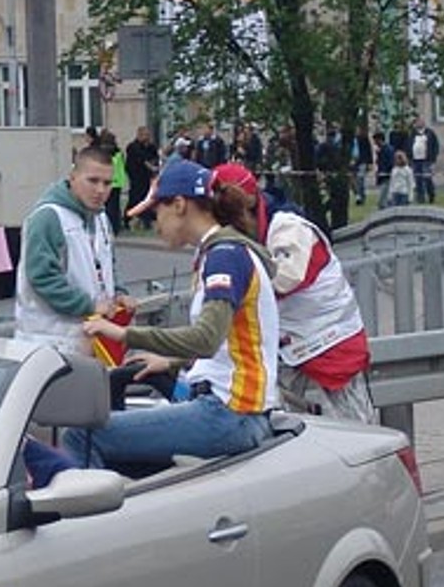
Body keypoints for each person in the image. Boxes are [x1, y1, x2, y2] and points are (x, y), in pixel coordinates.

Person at [68, 159, 280, 470]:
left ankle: (90, 518)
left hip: (228, 413)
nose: (156, 225)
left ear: (179, 205)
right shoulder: (222, 253)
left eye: (157, 213)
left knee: (83, 435)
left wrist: (123, 334)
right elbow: (228, 344)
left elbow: (206, 338)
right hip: (234, 409)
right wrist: (170, 362)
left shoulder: (224, 257)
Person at [210, 164, 375, 426]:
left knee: (358, 429)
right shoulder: (249, 231)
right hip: (287, 345)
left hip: (329, 340)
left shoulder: (288, 228)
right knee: (272, 419)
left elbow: (285, 278)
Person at [14, 146, 122, 360]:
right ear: (73, 178)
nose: (100, 190)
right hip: (49, 343)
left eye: (107, 183)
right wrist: (88, 305)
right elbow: (42, 277)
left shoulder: (101, 218)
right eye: (92, 181)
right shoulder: (48, 217)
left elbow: (107, 266)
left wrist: (119, 293)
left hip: (91, 340)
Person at [123, 125, 159, 231]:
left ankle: (146, 220)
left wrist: (154, 166)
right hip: (136, 177)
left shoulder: (150, 147)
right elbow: (142, 159)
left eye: (148, 135)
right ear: (139, 135)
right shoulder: (133, 147)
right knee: (135, 198)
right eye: (144, 135)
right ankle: (127, 218)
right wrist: (151, 166)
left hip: (147, 177)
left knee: (147, 199)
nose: (147, 137)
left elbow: (154, 157)